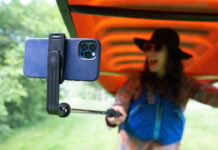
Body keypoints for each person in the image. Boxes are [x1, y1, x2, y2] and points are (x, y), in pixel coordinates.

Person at [105, 28, 218, 150]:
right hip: (132, 144)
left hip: (168, 146)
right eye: (148, 47)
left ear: (171, 54)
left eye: (157, 48)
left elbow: (210, 96)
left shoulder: (184, 84)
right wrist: (115, 115)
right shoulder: (136, 79)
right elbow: (121, 101)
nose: (149, 53)